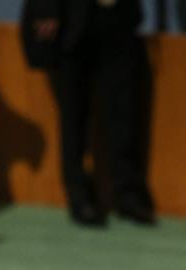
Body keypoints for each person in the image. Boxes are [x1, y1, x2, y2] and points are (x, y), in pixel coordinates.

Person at [21, 0, 155, 226]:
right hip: (73, 23)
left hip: (118, 20)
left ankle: (128, 194)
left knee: (124, 115)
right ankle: (80, 197)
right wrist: (46, 9)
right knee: (73, 118)